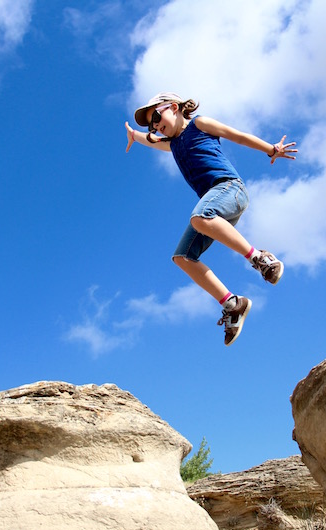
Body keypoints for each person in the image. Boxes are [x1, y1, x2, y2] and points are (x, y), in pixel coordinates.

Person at [124, 92, 297, 346]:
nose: (155, 125)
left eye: (157, 117)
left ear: (174, 107)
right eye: (152, 124)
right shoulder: (171, 144)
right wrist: (135, 136)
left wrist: (271, 149)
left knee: (199, 217)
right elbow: (151, 141)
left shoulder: (199, 124)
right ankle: (233, 304)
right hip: (215, 207)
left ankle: (260, 259)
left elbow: (235, 135)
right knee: (182, 257)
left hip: (230, 189)